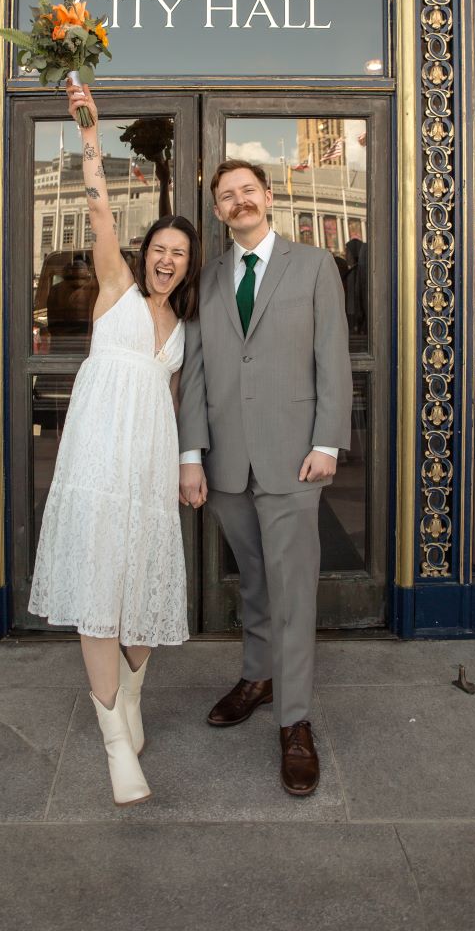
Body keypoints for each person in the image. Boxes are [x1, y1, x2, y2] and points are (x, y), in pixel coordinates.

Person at [29, 79, 202, 808]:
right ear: (143, 251)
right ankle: (111, 742)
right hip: (99, 458)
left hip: (148, 466)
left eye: (179, 255)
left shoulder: (182, 330)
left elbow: (167, 401)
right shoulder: (115, 288)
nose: (166, 261)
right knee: (102, 591)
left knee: (144, 599)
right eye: (160, 248)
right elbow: (98, 203)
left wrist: (181, 467)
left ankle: (130, 697)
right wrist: (87, 123)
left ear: (188, 267)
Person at [178, 159, 352, 797]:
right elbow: (195, 370)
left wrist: (327, 441)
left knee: (293, 589)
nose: (238, 201)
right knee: (253, 579)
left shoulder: (312, 265)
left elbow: (331, 356)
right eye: (227, 196)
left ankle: (295, 720)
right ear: (219, 210)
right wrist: (190, 456)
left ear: (269, 197)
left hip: (292, 458)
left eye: (247, 190)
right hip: (226, 464)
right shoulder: (210, 276)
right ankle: (258, 677)